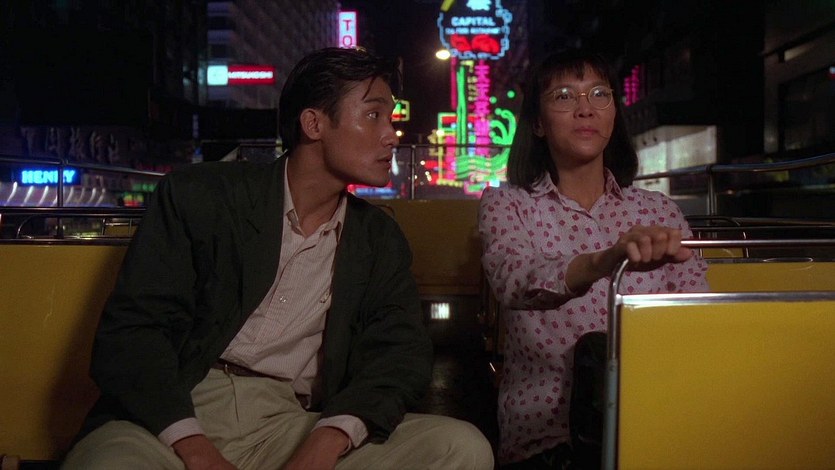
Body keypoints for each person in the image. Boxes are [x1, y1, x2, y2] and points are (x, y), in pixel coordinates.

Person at [63, 47, 494, 470]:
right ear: (314, 123)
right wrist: (194, 448)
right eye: (373, 115)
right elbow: (133, 333)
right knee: (109, 463)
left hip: (288, 422)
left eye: (391, 118)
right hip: (172, 412)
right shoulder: (204, 196)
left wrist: (329, 438)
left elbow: (400, 354)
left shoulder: (377, 237)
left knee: (460, 447)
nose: (392, 135)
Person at [478, 49, 709, 468]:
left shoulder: (659, 210)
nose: (585, 109)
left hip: (655, 420)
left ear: (614, 114)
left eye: (599, 94)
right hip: (551, 436)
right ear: (537, 123)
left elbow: (696, 317)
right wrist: (605, 261)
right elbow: (514, 280)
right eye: (564, 96)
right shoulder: (507, 204)